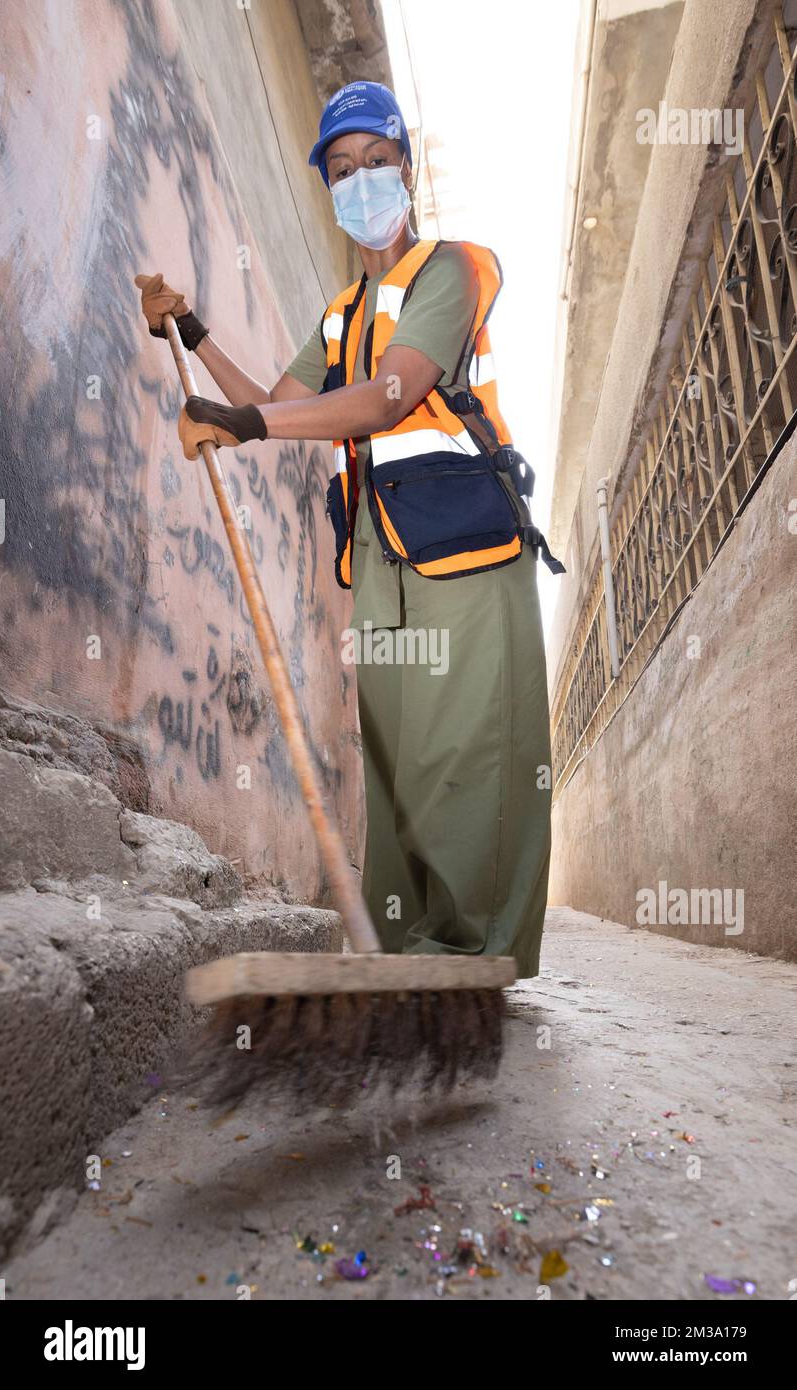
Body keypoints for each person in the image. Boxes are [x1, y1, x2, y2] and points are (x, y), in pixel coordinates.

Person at [135, 80, 563, 977]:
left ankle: (469, 953)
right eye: (342, 169)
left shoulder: (448, 270)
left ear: (404, 168)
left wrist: (244, 424)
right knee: (400, 758)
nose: (362, 180)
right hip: (381, 551)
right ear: (329, 190)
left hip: (464, 539)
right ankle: (403, 951)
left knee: (467, 747)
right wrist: (192, 327)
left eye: (376, 162)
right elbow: (269, 405)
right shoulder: (339, 316)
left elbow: (389, 395)